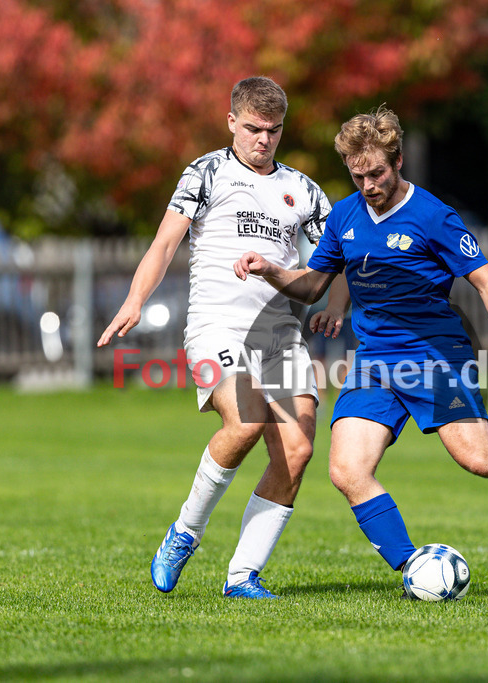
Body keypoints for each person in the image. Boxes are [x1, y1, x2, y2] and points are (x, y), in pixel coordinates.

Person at [233, 106, 488, 576]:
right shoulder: (344, 217)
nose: (369, 186)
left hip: (436, 356)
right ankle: (412, 569)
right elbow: (314, 284)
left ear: (398, 161)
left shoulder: (433, 216)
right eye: (358, 176)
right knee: (347, 470)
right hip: (374, 362)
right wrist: (273, 271)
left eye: (377, 173)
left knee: (479, 457)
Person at [98, 76, 340, 599]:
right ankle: (184, 534)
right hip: (216, 328)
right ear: (231, 121)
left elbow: (329, 269)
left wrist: (333, 304)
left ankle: (242, 577)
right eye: (253, 128)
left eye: (273, 131)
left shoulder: (306, 191)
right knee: (247, 420)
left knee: (296, 452)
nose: (263, 140)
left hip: (280, 337)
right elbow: (165, 245)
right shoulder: (206, 173)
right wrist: (135, 300)